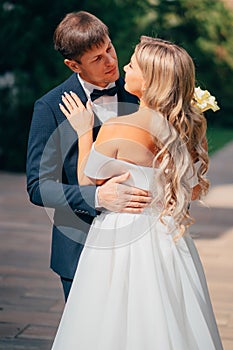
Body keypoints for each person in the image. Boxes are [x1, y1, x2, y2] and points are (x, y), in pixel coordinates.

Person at [51, 37, 223, 349]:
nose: (124, 68)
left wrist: (83, 131)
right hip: (169, 238)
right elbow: (194, 189)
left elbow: (87, 180)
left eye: (132, 65)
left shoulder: (121, 125)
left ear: (150, 80)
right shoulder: (191, 129)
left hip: (120, 236)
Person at [26, 11, 151, 302]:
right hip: (78, 247)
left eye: (109, 48)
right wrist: (97, 197)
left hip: (139, 246)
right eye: (97, 58)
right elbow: (37, 187)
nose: (110, 61)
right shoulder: (50, 108)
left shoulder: (139, 94)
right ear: (73, 65)